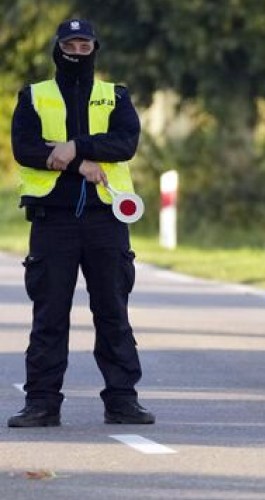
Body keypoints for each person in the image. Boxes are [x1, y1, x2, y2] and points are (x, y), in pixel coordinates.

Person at [8, 19, 154, 427]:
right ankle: (41, 403)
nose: (77, 49)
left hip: (105, 220)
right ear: (57, 48)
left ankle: (123, 400)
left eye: (84, 43)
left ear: (95, 48)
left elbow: (125, 143)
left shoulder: (115, 96)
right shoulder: (34, 96)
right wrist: (83, 163)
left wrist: (74, 148)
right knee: (49, 315)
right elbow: (25, 149)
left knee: (112, 312)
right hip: (52, 219)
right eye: (70, 43)